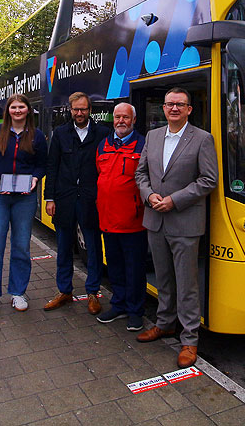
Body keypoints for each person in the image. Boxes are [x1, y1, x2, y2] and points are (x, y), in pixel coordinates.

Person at [134, 87, 218, 368]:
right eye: (169, 104)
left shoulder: (203, 139)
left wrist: (174, 200)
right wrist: (148, 195)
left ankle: (190, 339)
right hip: (155, 219)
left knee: (187, 283)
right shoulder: (154, 136)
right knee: (164, 279)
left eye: (179, 105)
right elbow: (141, 173)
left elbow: (209, 180)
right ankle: (164, 324)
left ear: (189, 109)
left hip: (184, 221)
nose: (173, 109)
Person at [0, 94, 47, 314]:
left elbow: (42, 164)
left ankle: (18, 293)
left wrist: (35, 179)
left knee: (21, 247)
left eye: (22, 107)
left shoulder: (37, 136)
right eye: (14, 107)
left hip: (24, 198)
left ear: (28, 110)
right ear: (8, 110)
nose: (17, 110)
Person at [42, 92, 111, 314]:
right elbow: (52, 167)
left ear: (90, 110)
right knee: (63, 247)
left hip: (91, 199)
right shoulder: (61, 133)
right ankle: (64, 291)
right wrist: (49, 198)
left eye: (83, 109)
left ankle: (93, 292)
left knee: (92, 247)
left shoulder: (103, 133)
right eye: (76, 109)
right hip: (64, 199)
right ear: (70, 110)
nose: (79, 113)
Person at [94, 102, 147, 332]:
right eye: (117, 117)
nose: (121, 121)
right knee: (114, 266)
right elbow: (100, 173)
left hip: (133, 221)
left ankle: (136, 312)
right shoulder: (103, 145)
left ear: (133, 120)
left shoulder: (143, 144)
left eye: (126, 117)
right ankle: (119, 305)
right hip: (107, 219)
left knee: (134, 269)